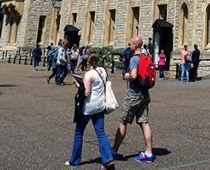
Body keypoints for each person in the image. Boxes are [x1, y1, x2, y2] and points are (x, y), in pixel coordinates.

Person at [65, 52, 115, 168]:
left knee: (79, 132)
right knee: (101, 133)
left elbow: (86, 92)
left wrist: (77, 85)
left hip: (88, 108)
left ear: (88, 62)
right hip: (100, 106)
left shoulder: (89, 74)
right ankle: (108, 159)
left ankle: (75, 160)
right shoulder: (103, 70)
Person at [113, 35, 154, 163]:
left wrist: (126, 76)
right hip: (144, 94)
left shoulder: (134, 59)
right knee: (144, 123)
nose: (128, 46)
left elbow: (134, 75)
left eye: (130, 44)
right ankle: (149, 153)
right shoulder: (145, 57)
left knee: (123, 122)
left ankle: (113, 151)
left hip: (134, 95)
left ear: (136, 45)